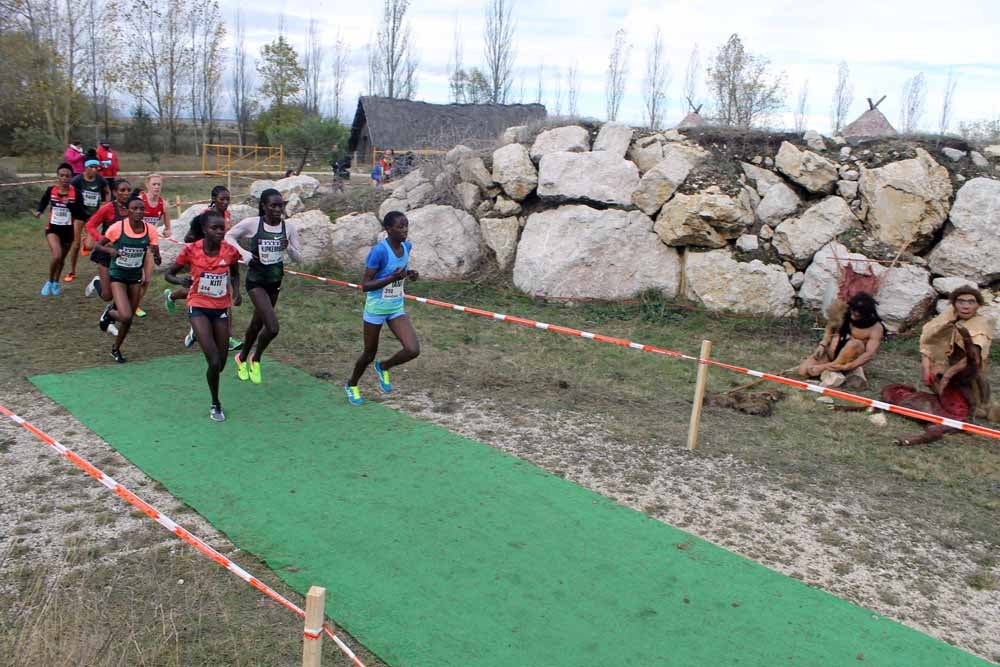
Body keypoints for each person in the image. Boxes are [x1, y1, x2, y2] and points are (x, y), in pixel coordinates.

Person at [883, 286, 994, 446]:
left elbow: (973, 359)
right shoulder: (949, 315)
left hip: (966, 379)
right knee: (902, 396)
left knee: (957, 411)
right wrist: (927, 368)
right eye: (961, 301)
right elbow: (930, 341)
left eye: (971, 302)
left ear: (978, 305)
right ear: (954, 303)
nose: (966, 306)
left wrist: (948, 376)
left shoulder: (981, 323)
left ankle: (969, 410)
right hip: (942, 375)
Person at [165, 210, 242, 421]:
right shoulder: (191, 250)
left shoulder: (229, 252)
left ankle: (199, 335)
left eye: (222, 228)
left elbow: (234, 274)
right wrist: (181, 281)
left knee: (222, 364)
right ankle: (215, 403)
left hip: (220, 308)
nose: (219, 232)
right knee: (214, 362)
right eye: (214, 228)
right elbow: (169, 273)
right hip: (198, 305)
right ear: (204, 230)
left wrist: (237, 292)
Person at [344, 210, 420, 405]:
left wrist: (409, 274)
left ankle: (384, 366)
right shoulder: (379, 251)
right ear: (388, 230)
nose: (405, 230)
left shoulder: (406, 246)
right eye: (400, 227)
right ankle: (352, 384)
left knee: (412, 349)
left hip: (395, 307)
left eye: (406, 226)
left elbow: (400, 271)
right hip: (376, 309)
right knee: (369, 353)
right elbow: (365, 285)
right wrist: (391, 278)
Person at [225, 188, 301, 384]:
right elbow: (228, 237)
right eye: (273, 206)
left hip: (274, 281)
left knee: (256, 324)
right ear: (263, 206)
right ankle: (256, 358)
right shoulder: (253, 224)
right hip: (256, 281)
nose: (277, 209)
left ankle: (241, 358)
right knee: (273, 328)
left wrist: (289, 248)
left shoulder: (288, 228)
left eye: (280, 205)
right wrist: (244, 253)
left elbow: (299, 258)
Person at [165, 185, 241, 351]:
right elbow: (189, 236)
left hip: (221, 257)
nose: (226, 203)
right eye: (222, 199)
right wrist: (204, 245)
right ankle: (172, 298)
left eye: (228, 199)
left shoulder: (226, 215)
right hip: (202, 259)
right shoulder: (204, 216)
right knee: (197, 290)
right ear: (214, 199)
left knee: (220, 293)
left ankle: (226, 337)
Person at [92, 193, 159, 363]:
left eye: (141, 209)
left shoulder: (149, 229)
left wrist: (157, 256)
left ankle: (116, 349)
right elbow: (98, 245)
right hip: (118, 276)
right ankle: (110, 312)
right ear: (127, 211)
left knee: (128, 321)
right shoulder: (117, 228)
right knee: (126, 315)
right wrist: (110, 251)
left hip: (135, 276)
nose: (138, 212)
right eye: (134, 209)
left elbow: (154, 248)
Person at [796, 292, 885, 389]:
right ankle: (826, 368)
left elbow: (869, 354)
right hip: (830, 354)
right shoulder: (842, 311)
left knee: (855, 343)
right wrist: (823, 344)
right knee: (802, 371)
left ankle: (830, 368)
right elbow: (830, 326)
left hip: (847, 360)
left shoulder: (876, 328)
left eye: (859, 314)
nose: (855, 315)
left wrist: (849, 366)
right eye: (854, 311)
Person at [85, 179, 133, 308]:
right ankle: (97, 282)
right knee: (107, 295)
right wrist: (102, 240)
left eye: (129, 190)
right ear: (115, 192)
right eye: (122, 190)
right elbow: (90, 225)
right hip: (106, 253)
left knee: (126, 287)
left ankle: (114, 313)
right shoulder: (108, 208)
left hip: (124, 254)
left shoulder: (132, 208)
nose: (126, 193)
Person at [32, 163, 78, 296]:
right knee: (56, 255)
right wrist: (39, 211)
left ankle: (56, 282)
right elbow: (44, 201)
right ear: (58, 177)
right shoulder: (51, 190)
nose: (64, 178)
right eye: (61, 175)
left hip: (68, 231)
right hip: (53, 228)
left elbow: (81, 212)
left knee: (61, 259)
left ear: (71, 177)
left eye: (67, 176)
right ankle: (49, 281)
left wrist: (69, 205)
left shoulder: (76, 193)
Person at [131, 174, 169, 318]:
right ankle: (123, 299)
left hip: (150, 245)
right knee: (134, 277)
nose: (157, 187)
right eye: (154, 184)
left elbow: (167, 227)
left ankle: (135, 304)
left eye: (159, 184)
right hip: (134, 244)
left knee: (146, 279)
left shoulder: (163, 204)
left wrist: (167, 231)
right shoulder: (140, 201)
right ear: (147, 185)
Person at [67, 153, 110, 282]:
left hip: (93, 216)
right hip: (79, 214)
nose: (94, 170)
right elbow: (69, 193)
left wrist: (106, 203)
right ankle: (72, 271)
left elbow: (107, 190)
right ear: (85, 167)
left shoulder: (100, 180)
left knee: (90, 246)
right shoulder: (77, 180)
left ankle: (86, 242)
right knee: (75, 244)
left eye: (96, 167)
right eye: (91, 167)